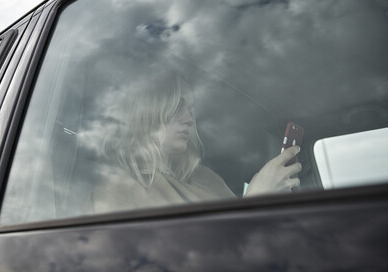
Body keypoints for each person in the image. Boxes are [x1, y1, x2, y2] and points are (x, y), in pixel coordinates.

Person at [83, 71, 302, 214]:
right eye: (178, 106)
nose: (189, 119)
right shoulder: (117, 190)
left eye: (191, 109)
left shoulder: (207, 179)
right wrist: (256, 198)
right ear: (147, 112)